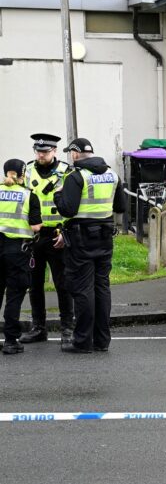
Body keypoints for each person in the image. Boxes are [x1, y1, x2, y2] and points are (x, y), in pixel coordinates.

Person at [54, 138, 125, 354]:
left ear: (75, 154)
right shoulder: (112, 174)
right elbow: (120, 206)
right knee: (102, 287)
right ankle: (102, 341)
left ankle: (82, 341)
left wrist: (58, 195)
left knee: (83, 289)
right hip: (104, 237)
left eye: (70, 153)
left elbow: (68, 210)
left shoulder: (77, 177)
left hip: (81, 238)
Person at [20, 133, 75, 345]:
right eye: (38, 151)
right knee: (34, 285)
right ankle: (38, 328)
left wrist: (65, 232)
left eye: (45, 151)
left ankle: (67, 329)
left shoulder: (66, 172)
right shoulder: (27, 170)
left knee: (63, 284)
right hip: (34, 236)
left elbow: (71, 205)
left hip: (57, 234)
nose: (41, 154)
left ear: (54, 151)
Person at [0, 159, 42, 355]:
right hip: (16, 251)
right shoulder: (28, 196)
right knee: (14, 297)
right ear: (23, 174)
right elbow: (35, 227)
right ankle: (10, 341)